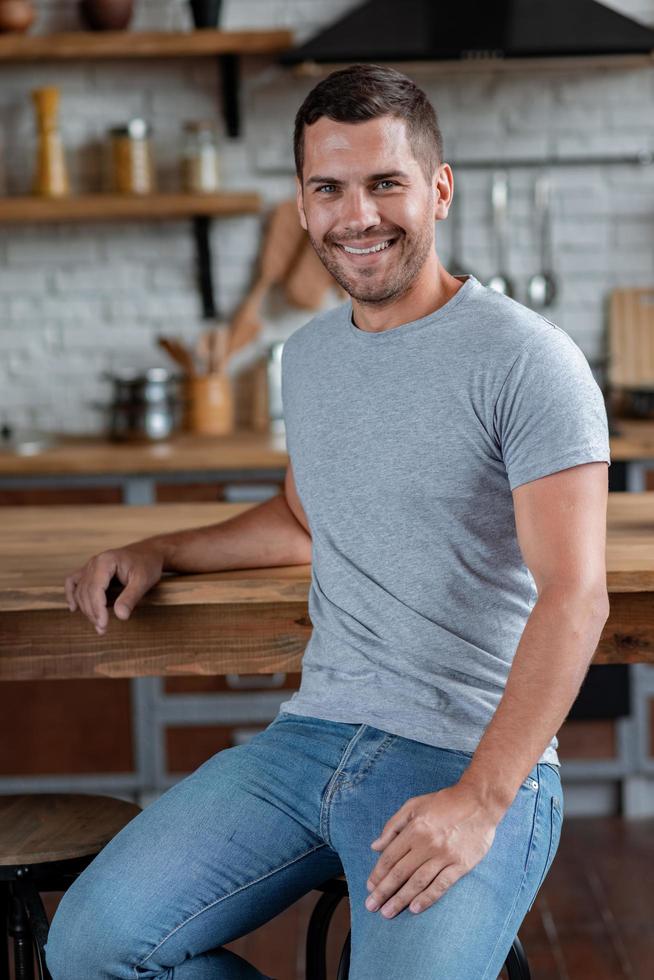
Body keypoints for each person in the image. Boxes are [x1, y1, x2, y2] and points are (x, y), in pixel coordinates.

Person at [45, 63, 611, 980]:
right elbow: (305, 515)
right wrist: (160, 551)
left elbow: (576, 597)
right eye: (329, 188)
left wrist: (478, 799)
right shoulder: (308, 359)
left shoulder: (527, 361)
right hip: (310, 736)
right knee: (90, 949)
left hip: (468, 752)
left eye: (386, 183)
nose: (359, 216)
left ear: (438, 188)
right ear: (303, 207)